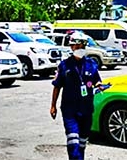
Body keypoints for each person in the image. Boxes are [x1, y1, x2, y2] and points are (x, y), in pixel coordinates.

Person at [50, 31, 106, 160]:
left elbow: (97, 80)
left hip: (86, 110)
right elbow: (57, 86)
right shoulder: (64, 65)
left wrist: (98, 85)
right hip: (70, 110)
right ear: (71, 47)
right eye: (76, 46)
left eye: (81, 46)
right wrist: (53, 106)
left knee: (82, 143)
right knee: (73, 143)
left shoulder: (91, 64)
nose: (79, 48)